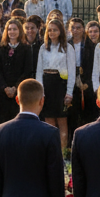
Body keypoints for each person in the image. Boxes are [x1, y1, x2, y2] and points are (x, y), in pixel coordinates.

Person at [35, 19, 74, 150]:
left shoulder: (67, 47)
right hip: (47, 84)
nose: (52, 32)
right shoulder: (43, 47)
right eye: (49, 30)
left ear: (60, 31)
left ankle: (62, 152)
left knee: (62, 120)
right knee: (49, 120)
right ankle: (51, 151)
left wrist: (69, 92)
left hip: (60, 84)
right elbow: (39, 71)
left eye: (55, 30)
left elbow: (72, 72)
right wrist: (41, 91)